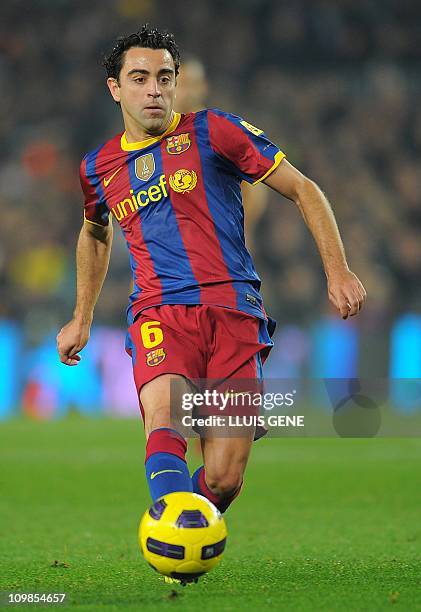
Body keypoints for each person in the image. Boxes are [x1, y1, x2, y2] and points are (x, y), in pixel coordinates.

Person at [57, 25, 366, 520]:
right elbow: (95, 232)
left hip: (233, 312)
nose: (153, 89)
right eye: (138, 78)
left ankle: (188, 527)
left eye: (163, 77)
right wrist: (81, 317)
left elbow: (304, 189)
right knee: (166, 414)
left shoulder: (214, 130)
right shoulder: (98, 167)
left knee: (224, 476)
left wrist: (338, 270)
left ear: (177, 82)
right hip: (159, 311)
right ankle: (171, 534)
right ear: (115, 88)